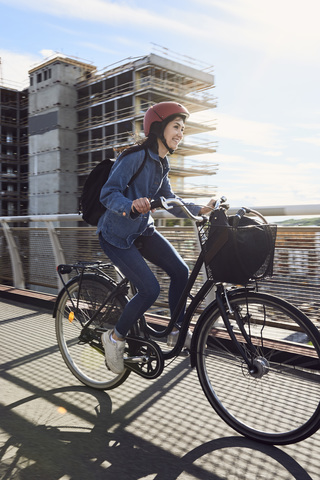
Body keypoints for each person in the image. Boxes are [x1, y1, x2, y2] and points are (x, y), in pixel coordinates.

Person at [97, 101, 215, 374]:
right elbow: (108, 193)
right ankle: (114, 338)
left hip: (143, 230)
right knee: (150, 290)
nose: (180, 133)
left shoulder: (162, 163)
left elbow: (170, 201)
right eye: (176, 127)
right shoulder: (134, 156)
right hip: (116, 235)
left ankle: (176, 329)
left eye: (183, 129)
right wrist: (131, 205)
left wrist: (201, 209)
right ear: (159, 127)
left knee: (181, 271)